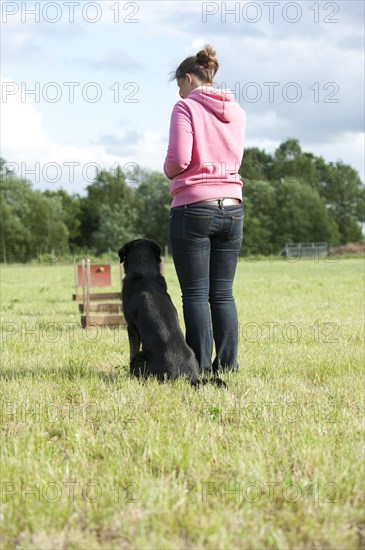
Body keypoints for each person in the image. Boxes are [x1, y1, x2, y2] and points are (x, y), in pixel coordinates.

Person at [163, 45, 247, 374]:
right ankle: (228, 366)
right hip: (232, 206)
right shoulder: (237, 110)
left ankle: (199, 368)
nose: (179, 92)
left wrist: (168, 169)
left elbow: (179, 160)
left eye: (179, 86)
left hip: (195, 207)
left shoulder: (185, 108)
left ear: (188, 79)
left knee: (196, 293)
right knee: (223, 293)